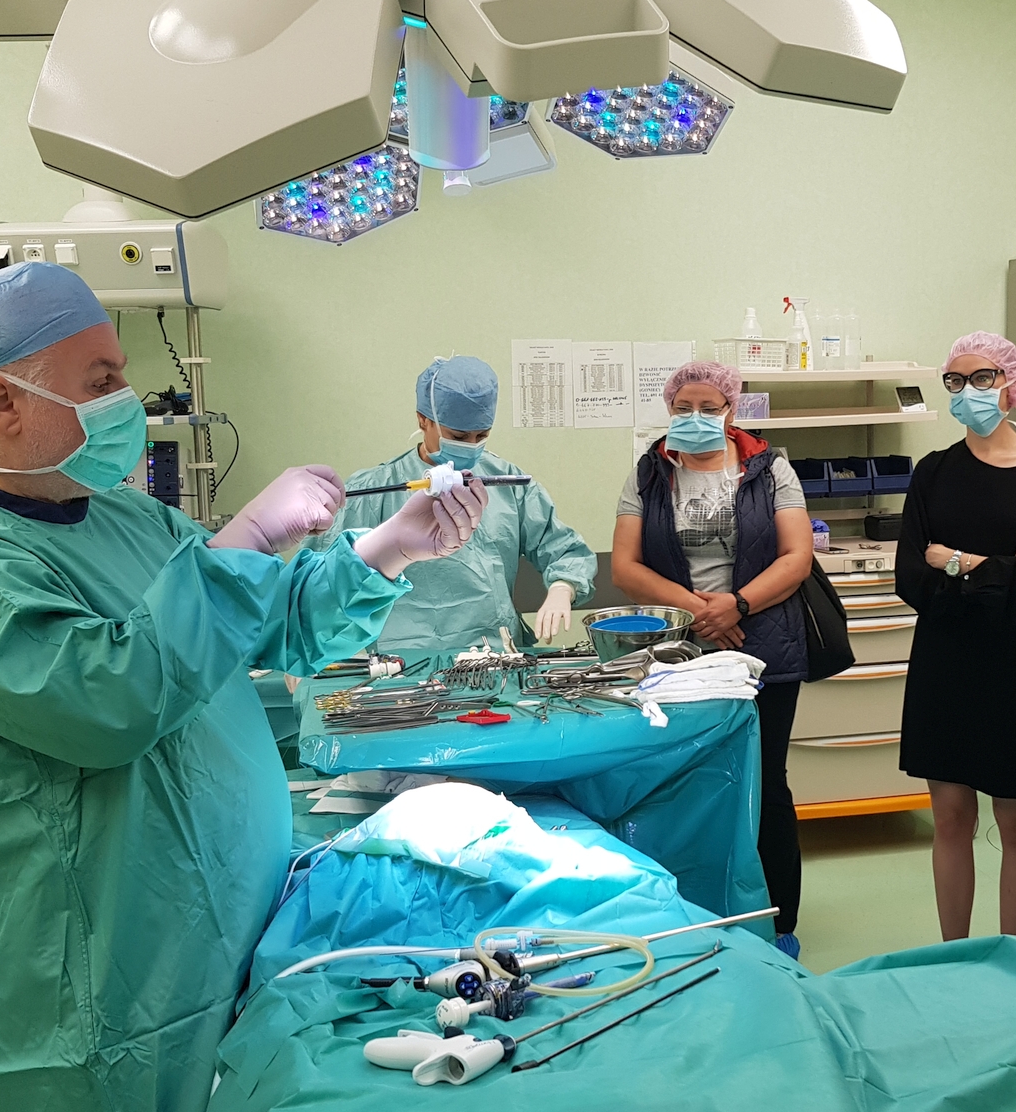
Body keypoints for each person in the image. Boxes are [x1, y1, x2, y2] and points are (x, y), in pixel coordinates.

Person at [0, 262, 488, 1112]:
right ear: (3, 399)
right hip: (89, 993)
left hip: (211, 949)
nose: (127, 404)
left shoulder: (119, 517)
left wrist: (386, 550)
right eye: (102, 380)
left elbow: (258, 624)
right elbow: (110, 694)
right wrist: (241, 541)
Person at [612, 361, 813, 956]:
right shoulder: (649, 473)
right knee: (682, 781)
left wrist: (738, 605)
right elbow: (624, 566)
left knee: (764, 782)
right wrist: (698, 610)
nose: (695, 417)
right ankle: (688, 913)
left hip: (762, 645)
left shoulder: (770, 469)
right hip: (676, 651)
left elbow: (797, 556)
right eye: (683, 408)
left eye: (709, 407)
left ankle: (780, 922)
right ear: (669, 410)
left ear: (731, 409)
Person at [896, 331, 1016, 940]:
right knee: (950, 818)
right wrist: (1001, 567)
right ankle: (954, 951)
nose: (968, 390)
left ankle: (1011, 952)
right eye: (956, 380)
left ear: (1010, 384)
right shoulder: (933, 471)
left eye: (982, 377)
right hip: (944, 660)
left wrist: (957, 562)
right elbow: (910, 577)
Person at [316, 355, 594, 652]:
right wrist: (312, 641)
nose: (471, 446)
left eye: (481, 436)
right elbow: (322, 575)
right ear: (423, 420)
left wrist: (563, 587)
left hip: (494, 654)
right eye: (458, 436)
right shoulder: (375, 489)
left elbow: (564, 550)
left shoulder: (507, 484)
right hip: (400, 660)